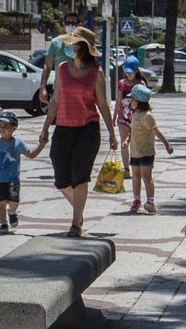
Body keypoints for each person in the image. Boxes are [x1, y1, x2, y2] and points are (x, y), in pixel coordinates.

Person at [37, 24, 116, 237]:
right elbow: (55, 102)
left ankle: (75, 224)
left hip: (87, 130)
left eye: (73, 43)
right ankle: (79, 211)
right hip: (63, 128)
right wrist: (45, 128)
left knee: (80, 176)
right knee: (62, 179)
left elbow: (102, 105)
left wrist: (112, 132)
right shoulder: (63, 69)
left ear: (82, 47)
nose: (69, 46)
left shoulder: (96, 74)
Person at [0, 110, 43, 234]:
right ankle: (3, 223)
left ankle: (12, 212)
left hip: (13, 179)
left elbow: (31, 155)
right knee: (1, 203)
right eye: (0, 126)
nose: (2, 129)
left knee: (14, 202)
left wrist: (41, 145)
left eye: (6, 126)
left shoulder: (18, 143)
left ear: (14, 128)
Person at [120, 83, 174, 214]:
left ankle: (150, 201)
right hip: (134, 152)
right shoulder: (134, 115)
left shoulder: (147, 116)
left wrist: (167, 144)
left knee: (146, 175)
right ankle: (136, 200)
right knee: (136, 176)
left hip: (146, 152)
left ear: (139, 102)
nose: (130, 102)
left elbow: (156, 131)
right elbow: (131, 131)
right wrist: (127, 141)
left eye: (132, 99)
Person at [37, 14, 80, 107]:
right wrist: (42, 87)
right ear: (63, 25)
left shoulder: (83, 43)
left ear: (79, 25)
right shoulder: (56, 42)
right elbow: (47, 66)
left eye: (73, 23)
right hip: (59, 90)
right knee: (59, 120)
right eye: (68, 23)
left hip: (79, 89)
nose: (70, 26)